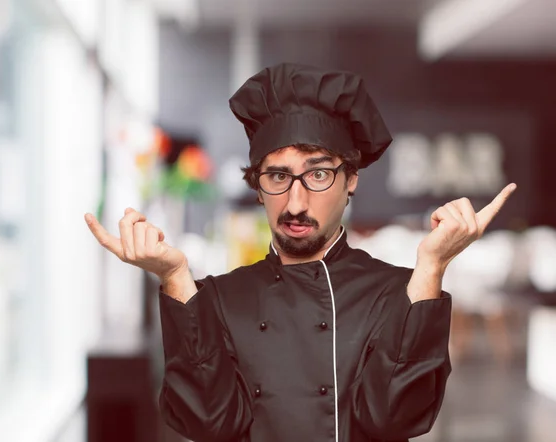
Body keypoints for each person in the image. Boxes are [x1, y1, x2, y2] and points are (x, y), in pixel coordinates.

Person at [85, 63, 517, 442]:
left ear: (351, 180)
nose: (295, 203)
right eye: (277, 176)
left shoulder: (396, 291)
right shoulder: (218, 297)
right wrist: (175, 278)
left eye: (318, 174)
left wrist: (432, 266)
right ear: (257, 186)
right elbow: (208, 424)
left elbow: (393, 419)